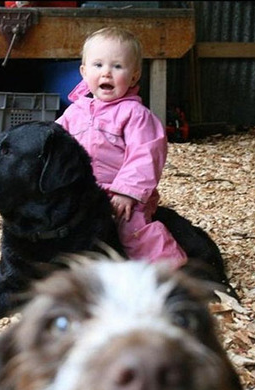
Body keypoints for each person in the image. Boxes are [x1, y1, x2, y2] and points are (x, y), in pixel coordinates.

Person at [56, 27, 187, 268]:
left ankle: (172, 270)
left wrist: (127, 192)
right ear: (84, 73)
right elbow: (54, 141)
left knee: (132, 230)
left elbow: (146, 156)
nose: (106, 72)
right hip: (81, 192)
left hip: (120, 195)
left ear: (134, 76)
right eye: (98, 66)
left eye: (117, 67)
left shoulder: (135, 115)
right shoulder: (74, 112)